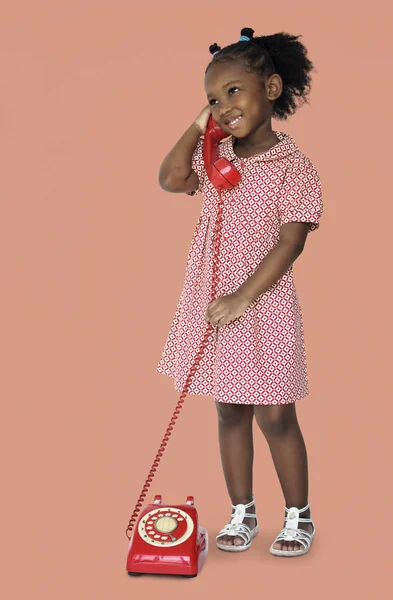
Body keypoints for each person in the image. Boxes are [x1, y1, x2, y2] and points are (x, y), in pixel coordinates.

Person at [156, 27, 323, 557]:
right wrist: (197, 126)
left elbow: (290, 242)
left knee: (276, 415)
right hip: (215, 307)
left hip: (262, 306)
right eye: (212, 96)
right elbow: (169, 177)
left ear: (271, 88)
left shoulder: (293, 166)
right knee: (229, 410)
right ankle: (242, 510)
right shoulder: (215, 159)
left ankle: (298, 516)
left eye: (234, 91)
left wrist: (243, 297)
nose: (223, 105)